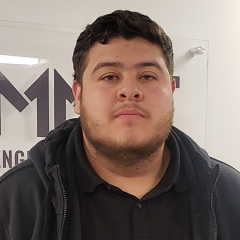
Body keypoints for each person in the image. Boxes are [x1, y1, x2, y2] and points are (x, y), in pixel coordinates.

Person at [0, 10, 240, 240]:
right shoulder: (15, 199)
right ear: (78, 96)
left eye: (147, 76)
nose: (130, 91)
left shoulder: (230, 194)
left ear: (172, 91)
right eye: (109, 77)